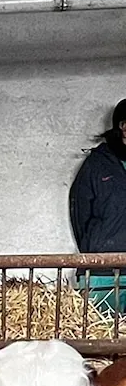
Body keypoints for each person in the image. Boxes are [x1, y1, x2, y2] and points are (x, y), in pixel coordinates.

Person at [70, 99, 126, 313]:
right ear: (123, 127)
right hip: (101, 273)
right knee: (98, 339)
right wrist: (97, 247)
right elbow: (80, 214)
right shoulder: (96, 165)